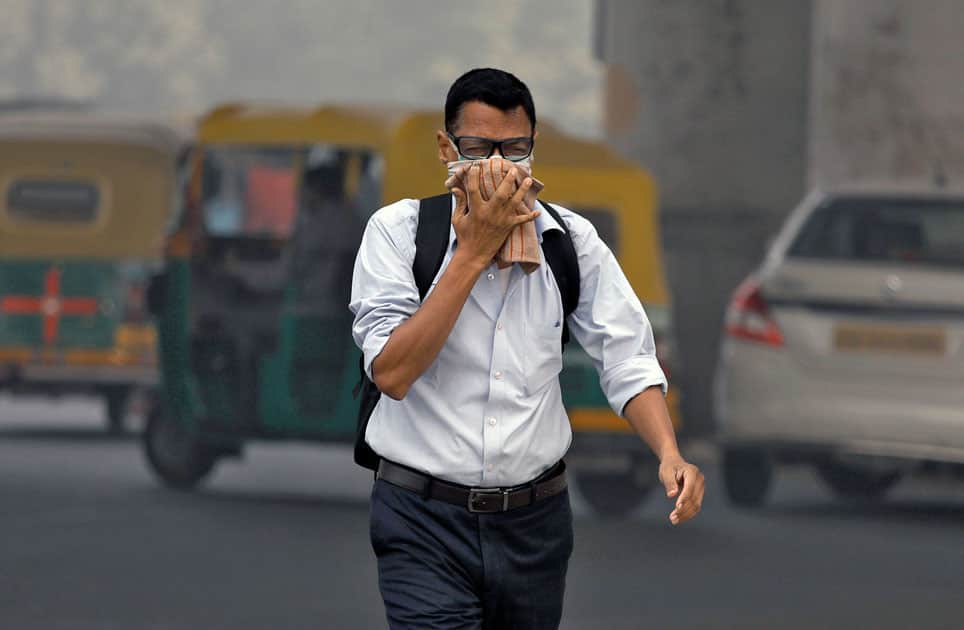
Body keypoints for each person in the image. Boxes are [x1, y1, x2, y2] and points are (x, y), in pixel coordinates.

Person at [350, 68, 705, 629]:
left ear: (533, 150)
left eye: (514, 149)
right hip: (422, 518)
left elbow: (627, 357)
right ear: (447, 147)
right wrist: (471, 254)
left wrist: (668, 453)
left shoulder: (570, 241)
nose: (497, 164)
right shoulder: (398, 233)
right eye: (478, 148)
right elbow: (392, 372)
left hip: (533, 524)